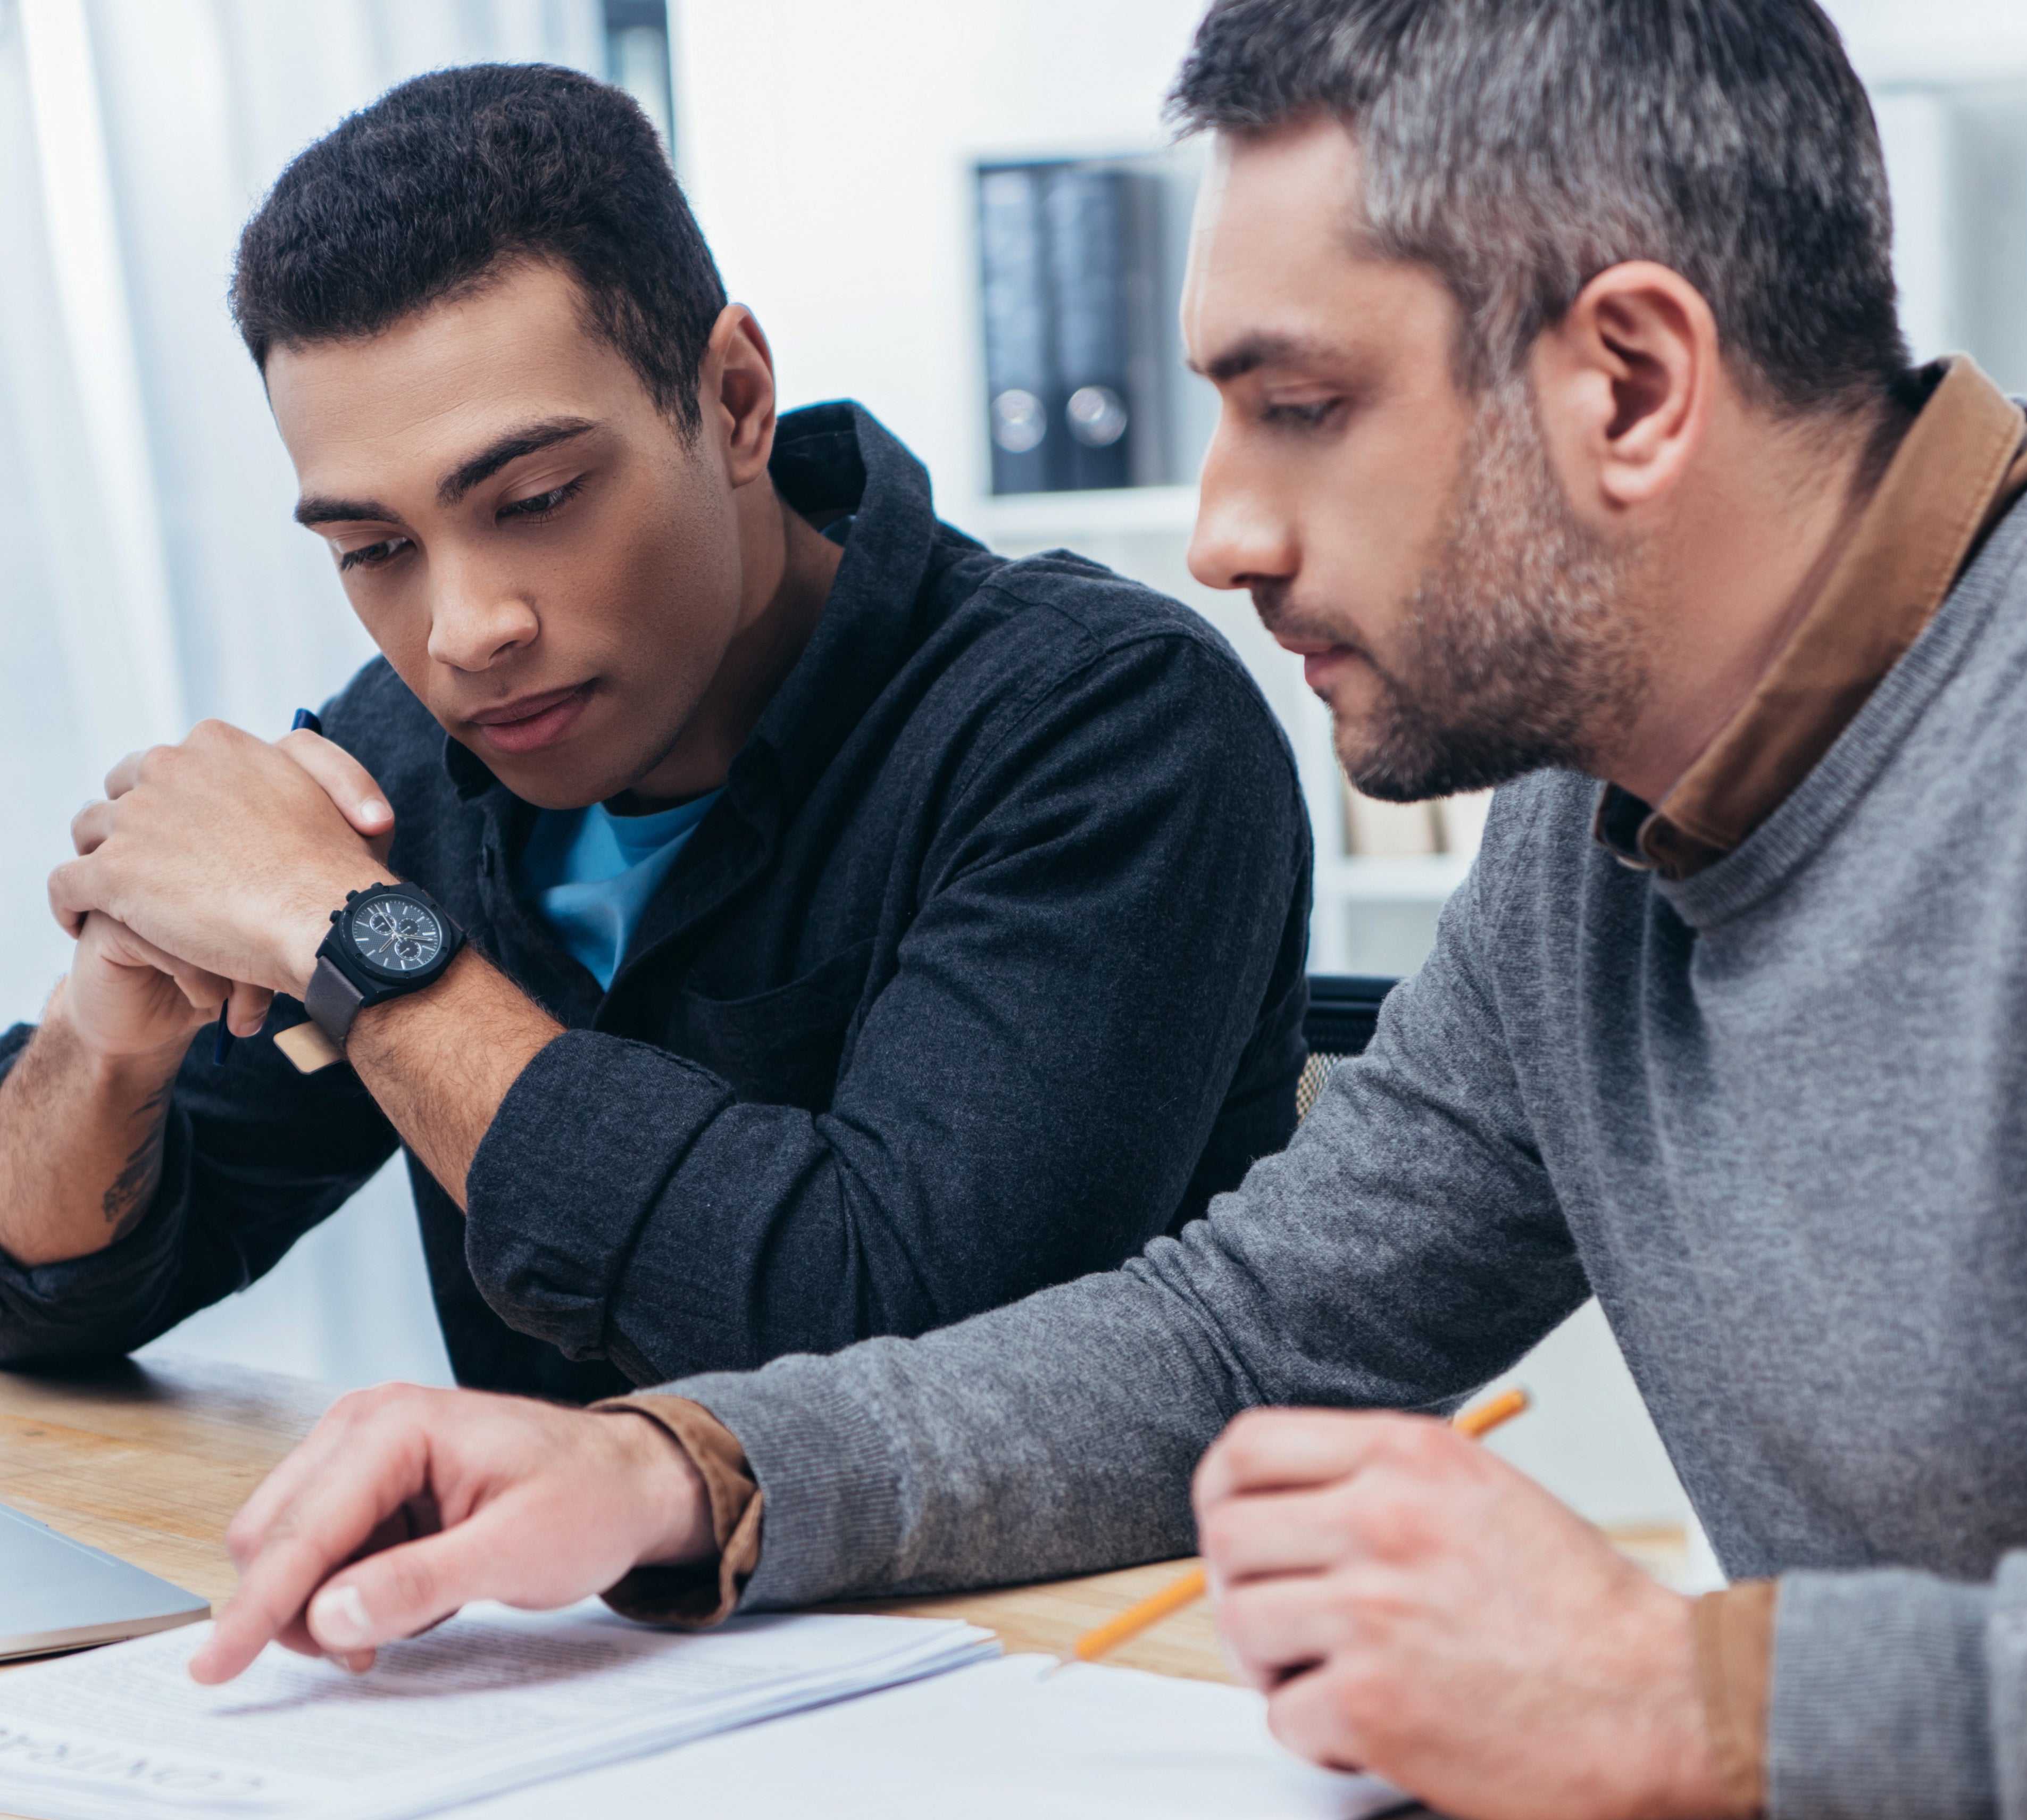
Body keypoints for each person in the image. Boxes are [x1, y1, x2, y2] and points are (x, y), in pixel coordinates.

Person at [74, 0, 2027, 1820]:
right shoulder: (1585, 838)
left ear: (1629, 382)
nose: (1221, 532)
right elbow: (1249, 1329)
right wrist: (688, 1473)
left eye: (1299, 407)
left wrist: (1676, 1696)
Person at [0, 65, 1311, 1401]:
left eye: (539, 497)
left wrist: (361, 943)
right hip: (559, 1609)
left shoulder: (1107, 726)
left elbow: (903, 1354)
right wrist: (105, 1039)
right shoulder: (404, 761)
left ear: (735, 399)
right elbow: (44, 1291)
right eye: (375, 545)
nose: (464, 630)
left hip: (1070, 1613)